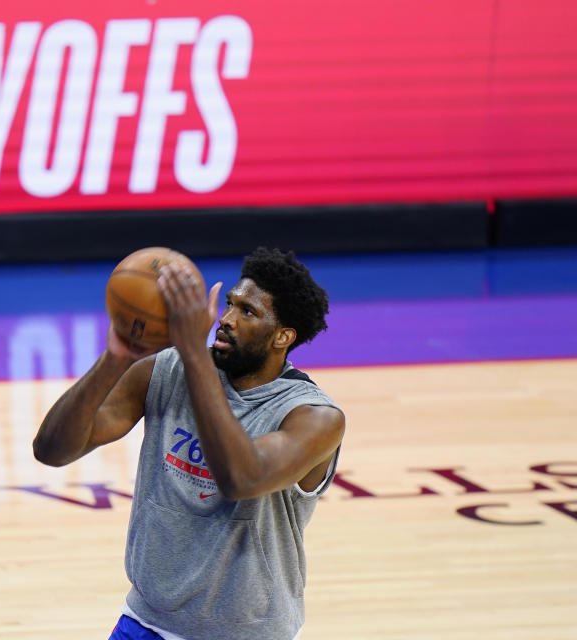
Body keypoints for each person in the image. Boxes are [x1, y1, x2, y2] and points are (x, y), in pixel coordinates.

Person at [33, 247, 345, 640]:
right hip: (145, 621)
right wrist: (115, 358)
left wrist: (194, 352)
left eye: (247, 312)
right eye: (229, 304)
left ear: (283, 336)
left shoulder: (314, 417)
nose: (226, 320)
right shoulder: (165, 369)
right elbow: (52, 450)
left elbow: (242, 479)